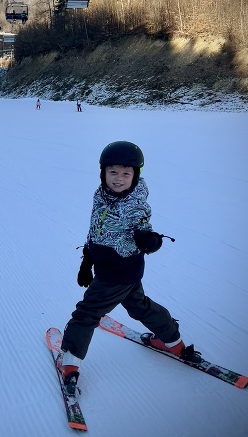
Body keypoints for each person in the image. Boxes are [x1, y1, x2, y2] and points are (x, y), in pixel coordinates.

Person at [60, 141, 199, 395]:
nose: (118, 179)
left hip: (116, 273)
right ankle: (173, 342)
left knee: (87, 313)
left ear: (136, 175)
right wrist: (87, 258)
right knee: (139, 306)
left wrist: (151, 241)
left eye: (126, 173)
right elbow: (95, 228)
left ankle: (69, 362)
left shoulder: (135, 205)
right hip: (120, 270)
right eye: (113, 172)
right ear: (103, 172)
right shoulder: (100, 194)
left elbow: (144, 229)